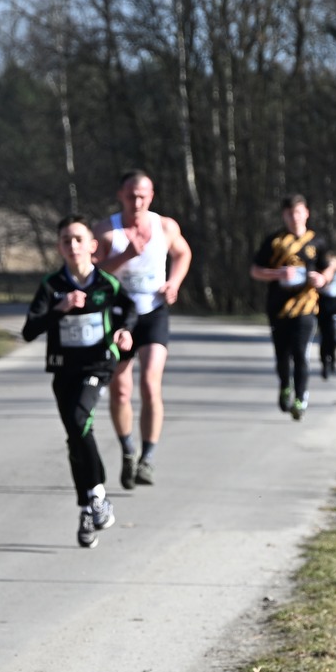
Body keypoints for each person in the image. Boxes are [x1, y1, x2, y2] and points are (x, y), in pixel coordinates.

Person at [21, 216, 137, 547]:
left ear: (92, 246)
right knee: (76, 435)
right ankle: (88, 507)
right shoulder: (52, 285)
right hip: (63, 369)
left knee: (78, 420)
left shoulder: (106, 283)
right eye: (66, 240)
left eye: (78, 239)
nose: (72, 245)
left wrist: (125, 331)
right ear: (59, 247)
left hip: (99, 363)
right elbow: (30, 330)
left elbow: (130, 310)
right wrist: (60, 307)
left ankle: (98, 494)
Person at [97, 170, 192, 489]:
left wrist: (174, 283)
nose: (136, 201)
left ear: (151, 196)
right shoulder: (107, 231)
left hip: (154, 313)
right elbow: (91, 272)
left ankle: (148, 458)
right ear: (120, 195)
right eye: (130, 195)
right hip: (119, 315)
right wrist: (125, 255)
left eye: (143, 195)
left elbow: (183, 253)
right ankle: (127, 450)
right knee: (121, 389)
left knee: (151, 384)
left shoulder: (165, 226)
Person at [250, 195, 336, 420]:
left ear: (306, 213)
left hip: (307, 307)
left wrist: (322, 279)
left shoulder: (316, 241)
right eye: (289, 213)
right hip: (278, 307)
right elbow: (255, 270)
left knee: (301, 353)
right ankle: (285, 386)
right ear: (283, 215)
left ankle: (300, 397)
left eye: (297, 212)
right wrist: (278, 273)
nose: (294, 218)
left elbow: (329, 268)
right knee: (282, 355)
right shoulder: (274, 241)